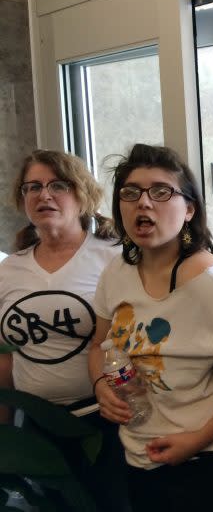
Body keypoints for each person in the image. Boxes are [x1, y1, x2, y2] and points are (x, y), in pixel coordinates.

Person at [88, 144, 213, 512]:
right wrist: (100, 385)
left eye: (161, 191)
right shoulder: (116, 271)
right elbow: (97, 346)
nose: (144, 202)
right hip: (140, 453)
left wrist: (197, 440)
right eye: (131, 192)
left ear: (189, 210)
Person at [0, 149, 127, 511]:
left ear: (82, 193)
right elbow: (4, 358)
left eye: (58, 185)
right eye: (33, 187)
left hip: (106, 422)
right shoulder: (9, 271)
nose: (44, 195)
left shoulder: (114, 258)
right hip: (37, 430)